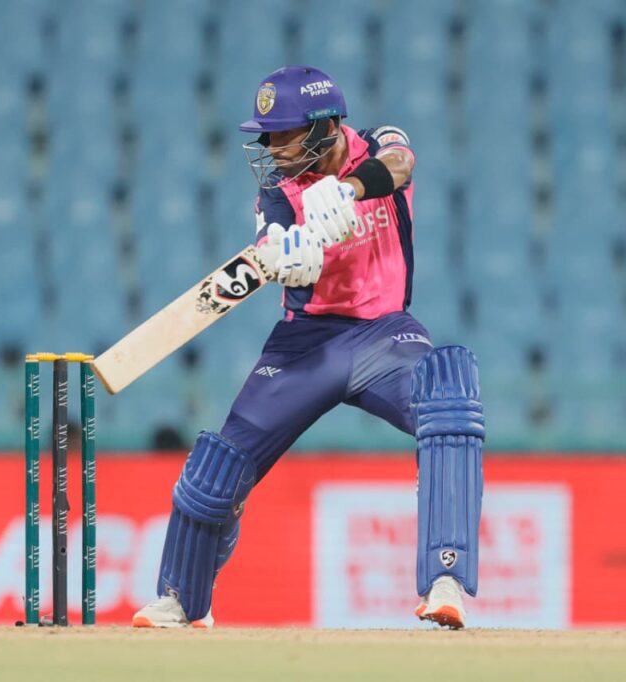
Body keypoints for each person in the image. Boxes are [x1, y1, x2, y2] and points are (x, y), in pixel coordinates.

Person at [132, 66, 484, 629]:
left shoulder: (379, 142)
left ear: (325, 127)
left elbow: (400, 163)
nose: (272, 148)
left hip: (385, 333)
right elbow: (269, 237)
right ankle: (181, 598)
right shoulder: (277, 190)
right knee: (220, 466)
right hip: (305, 341)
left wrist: (348, 189)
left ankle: (446, 580)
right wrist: (282, 254)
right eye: (267, 136)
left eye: (284, 135)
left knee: (449, 395)